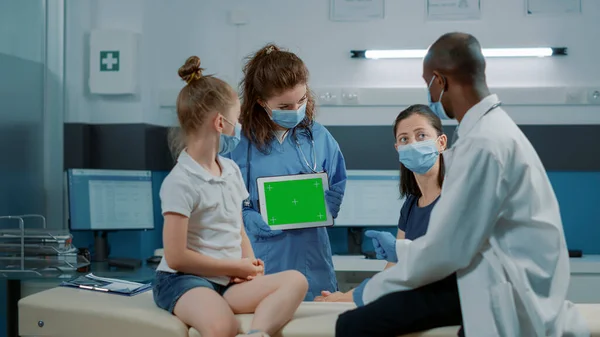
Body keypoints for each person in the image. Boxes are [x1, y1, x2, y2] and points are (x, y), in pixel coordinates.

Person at [336, 32, 590, 337]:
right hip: (498, 280)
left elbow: (448, 249)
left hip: (510, 291)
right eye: (403, 138)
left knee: (353, 324)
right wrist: (403, 251)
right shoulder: (489, 133)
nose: (429, 94)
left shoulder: (485, 144)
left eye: (427, 83)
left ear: (440, 81)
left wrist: (367, 291)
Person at [153, 56, 308, 337]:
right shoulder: (181, 180)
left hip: (227, 282)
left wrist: (248, 267)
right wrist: (232, 266)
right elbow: (175, 257)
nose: (239, 128)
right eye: (236, 120)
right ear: (220, 122)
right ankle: (219, 308)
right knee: (224, 326)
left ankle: (258, 333)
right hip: (183, 281)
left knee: (296, 281)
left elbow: (238, 230)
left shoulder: (231, 170)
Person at [316, 105, 463, 335]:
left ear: (441, 142)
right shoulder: (411, 205)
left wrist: (350, 296)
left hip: (446, 293)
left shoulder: (456, 196)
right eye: (404, 139)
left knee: (350, 324)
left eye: (421, 135)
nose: (413, 144)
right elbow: (393, 269)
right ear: (397, 148)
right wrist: (350, 295)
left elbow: (439, 263)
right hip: (418, 291)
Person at [226, 44, 347, 301]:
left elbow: (337, 182)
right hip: (262, 257)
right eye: (284, 105)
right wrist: (246, 217)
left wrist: (330, 202)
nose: (296, 111)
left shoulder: (319, 137)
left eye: (301, 101)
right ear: (261, 102)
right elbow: (223, 201)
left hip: (313, 258)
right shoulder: (238, 144)